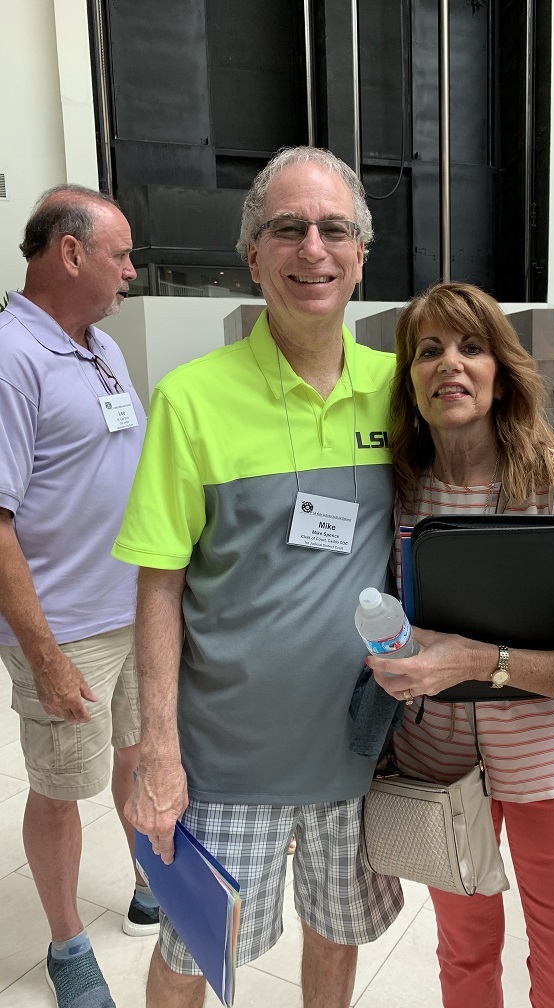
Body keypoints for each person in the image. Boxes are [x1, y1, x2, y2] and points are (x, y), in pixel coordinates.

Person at [113, 146, 554, 1008]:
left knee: (337, 936)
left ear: (360, 257)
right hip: (227, 763)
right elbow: (158, 584)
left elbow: (491, 451)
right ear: (253, 255)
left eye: (334, 230)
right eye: (288, 229)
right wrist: (156, 749)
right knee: (194, 951)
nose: (312, 248)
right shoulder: (190, 400)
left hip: (360, 757)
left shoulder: (403, 392)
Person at [367, 282, 554, 1008]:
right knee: (463, 960)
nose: (449, 363)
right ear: (410, 378)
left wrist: (478, 662)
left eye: (472, 346)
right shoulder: (395, 491)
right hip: (437, 768)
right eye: (429, 350)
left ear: (501, 371)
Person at [0, 185, 157, 1008]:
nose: (131, 271)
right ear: (70, 253)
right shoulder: (11, 356)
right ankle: (67, 947)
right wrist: (46, 657)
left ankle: (147, 885)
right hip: (66, 630)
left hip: (134, 610)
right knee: (62, 787)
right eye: (120, 255)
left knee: (135, 754)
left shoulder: (100, 347)